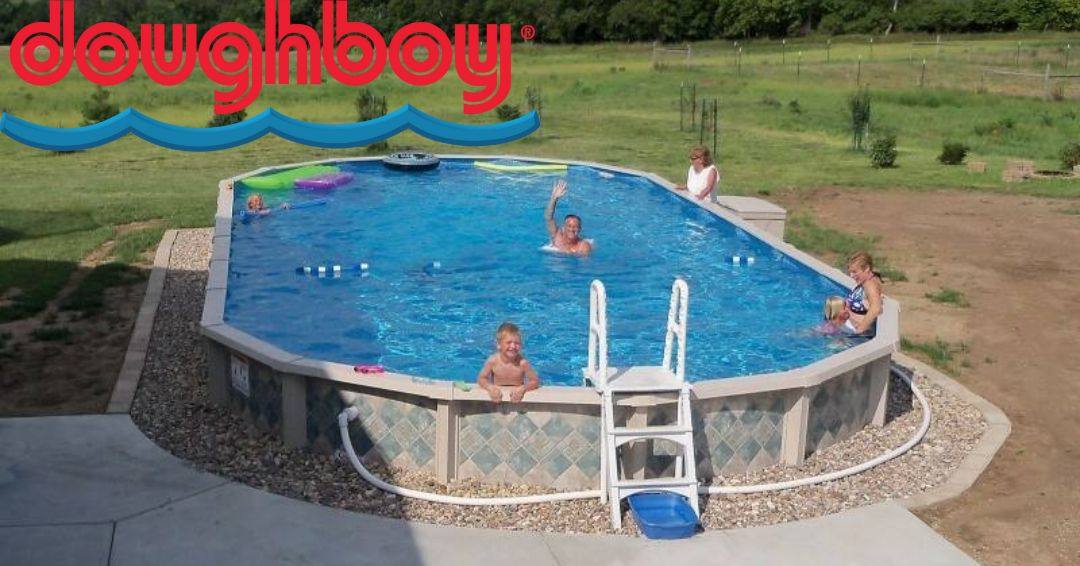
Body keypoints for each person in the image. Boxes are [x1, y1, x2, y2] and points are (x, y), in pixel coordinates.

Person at [476, 322, 541, 404]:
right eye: (509, 342)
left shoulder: (523, 363)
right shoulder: (493, 361)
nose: (513, 346)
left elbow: (535, 381)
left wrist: (523, 388)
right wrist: (490, 388)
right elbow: (481, 378)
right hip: (497, 396)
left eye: (517, 343)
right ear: (499, 344)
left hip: (516, 396)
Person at [544, 179, 593, 255]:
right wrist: (554, 199)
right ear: (564, 227)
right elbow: (548, 217)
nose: (572, 229)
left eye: (575, 226)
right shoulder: (557, 236)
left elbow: (586, 265)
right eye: (569, 226)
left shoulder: (583, 246)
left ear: (580, 229)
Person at [845, 250, 884, 335]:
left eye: (854, 272)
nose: (851, 275)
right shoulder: (869, 280)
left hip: (854, 329)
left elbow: (875, 309)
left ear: (867, 268)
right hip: (849, 324)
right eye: (850, 272)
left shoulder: (870, 285)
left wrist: (859, 331)